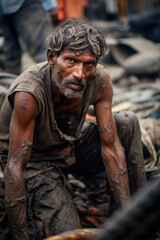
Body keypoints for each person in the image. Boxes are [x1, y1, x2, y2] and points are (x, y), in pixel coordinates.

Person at [0, 17, 146, 240]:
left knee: (126, 121)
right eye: (71, 61)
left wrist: (128, 218)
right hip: (37, 161)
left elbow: (110, 146)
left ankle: (139, 220)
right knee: (68, 234)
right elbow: (15, 166)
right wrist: (21, 235)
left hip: (70, 147)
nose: (79, 73)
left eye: (88, 64)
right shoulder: (27, 95)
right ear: (52, 57)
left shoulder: (100, 80)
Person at [0, 0, 58, 75]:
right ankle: (11, 82)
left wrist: (49, 4)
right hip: (3, 10)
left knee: (44, 51)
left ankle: (55, 80)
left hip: (25, 4)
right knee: (10, 54)